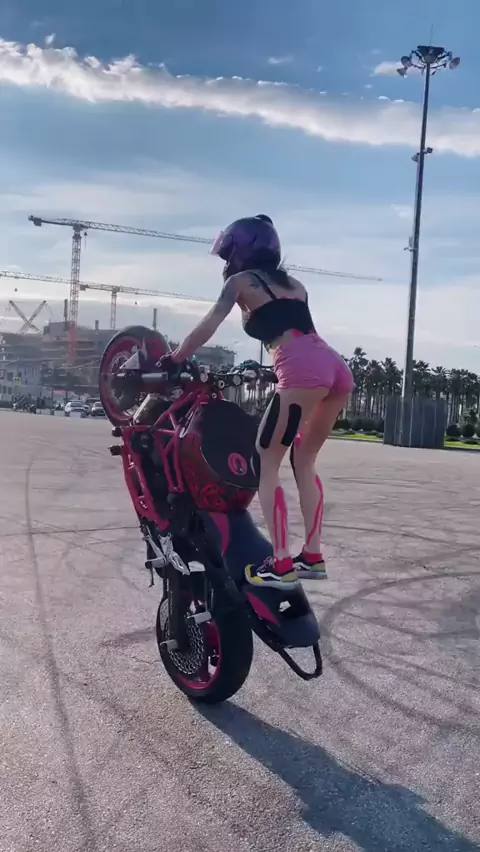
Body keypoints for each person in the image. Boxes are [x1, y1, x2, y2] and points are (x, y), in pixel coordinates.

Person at [169, 215, 354, 589]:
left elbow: (210, 323)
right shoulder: (296, 286)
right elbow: (297, 333)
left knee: (266, 461)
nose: (226, 262)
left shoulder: (239, 282)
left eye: (228, 254)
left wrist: (176, 357)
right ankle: (312, 557)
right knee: (304, 460)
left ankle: (281, 564)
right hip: (335, 368)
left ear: (240, 251)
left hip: (302, 369)